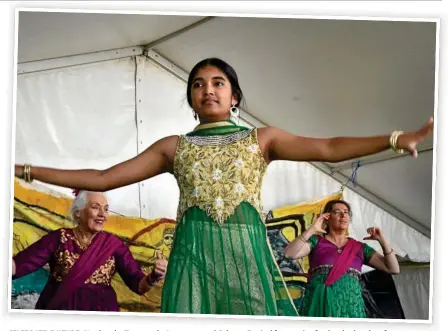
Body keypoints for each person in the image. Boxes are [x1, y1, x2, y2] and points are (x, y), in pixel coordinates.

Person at [14, 57, 432, 315]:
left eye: (217, 82)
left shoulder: (260, 139)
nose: (207, 89)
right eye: (197, 84)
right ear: (191, 99)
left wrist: (394, 140)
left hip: (244, 259)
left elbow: (326, 146)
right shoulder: (173, 147)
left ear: (235, 96)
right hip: (192, 259)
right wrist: (29, 171)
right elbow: (104, 178)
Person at [11, 190, 168, 312]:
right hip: (61, 312)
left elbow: (139, 286)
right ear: (78, 212)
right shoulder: (59, 238)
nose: (103, 214)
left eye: (106, 209)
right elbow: (19, 265)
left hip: (101, 314)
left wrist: (154, 276)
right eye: (95, 207)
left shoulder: (113, 245)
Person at [284, 199, 400, 318]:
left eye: (346, 212)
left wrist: (382, 240)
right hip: (320, 305)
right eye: (337, 211)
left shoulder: (359, 248)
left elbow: (393, 269)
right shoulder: (317, 242)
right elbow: (289, 253)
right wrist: (311, 230)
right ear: (327, 217)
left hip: (350, 306)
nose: (343, 215)